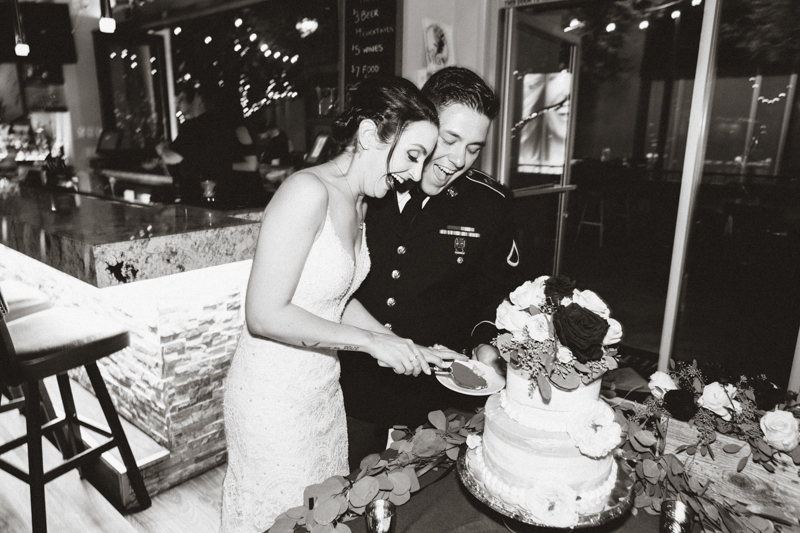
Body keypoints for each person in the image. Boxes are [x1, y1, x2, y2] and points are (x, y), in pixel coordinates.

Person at [220, 75, 465, 533]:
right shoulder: (305, 191)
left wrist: (402, 344)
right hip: (272, 398)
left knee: (322, 515)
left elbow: (335, 298)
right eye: (413, 155)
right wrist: (368, 343)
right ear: (371, 135)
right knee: (279, 519)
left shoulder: (361, 202)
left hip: (321, 392)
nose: (415, 174)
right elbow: (264, 313)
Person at [341, 67, 524, 452]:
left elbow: (497, 295)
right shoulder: (369, 182)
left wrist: (485, 345)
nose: (459, 160)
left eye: (474, 147)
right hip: (350, 386)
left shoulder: (491, 205)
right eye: (450, 139)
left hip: (434, 400)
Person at [157, 84, 263, 207]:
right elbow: (251, 165)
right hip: (239, 197)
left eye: (196, 96)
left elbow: (172, 157)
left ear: (201, 101)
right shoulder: (236, 126)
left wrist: (161, 149)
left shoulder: (193, 128)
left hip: (203, 197)